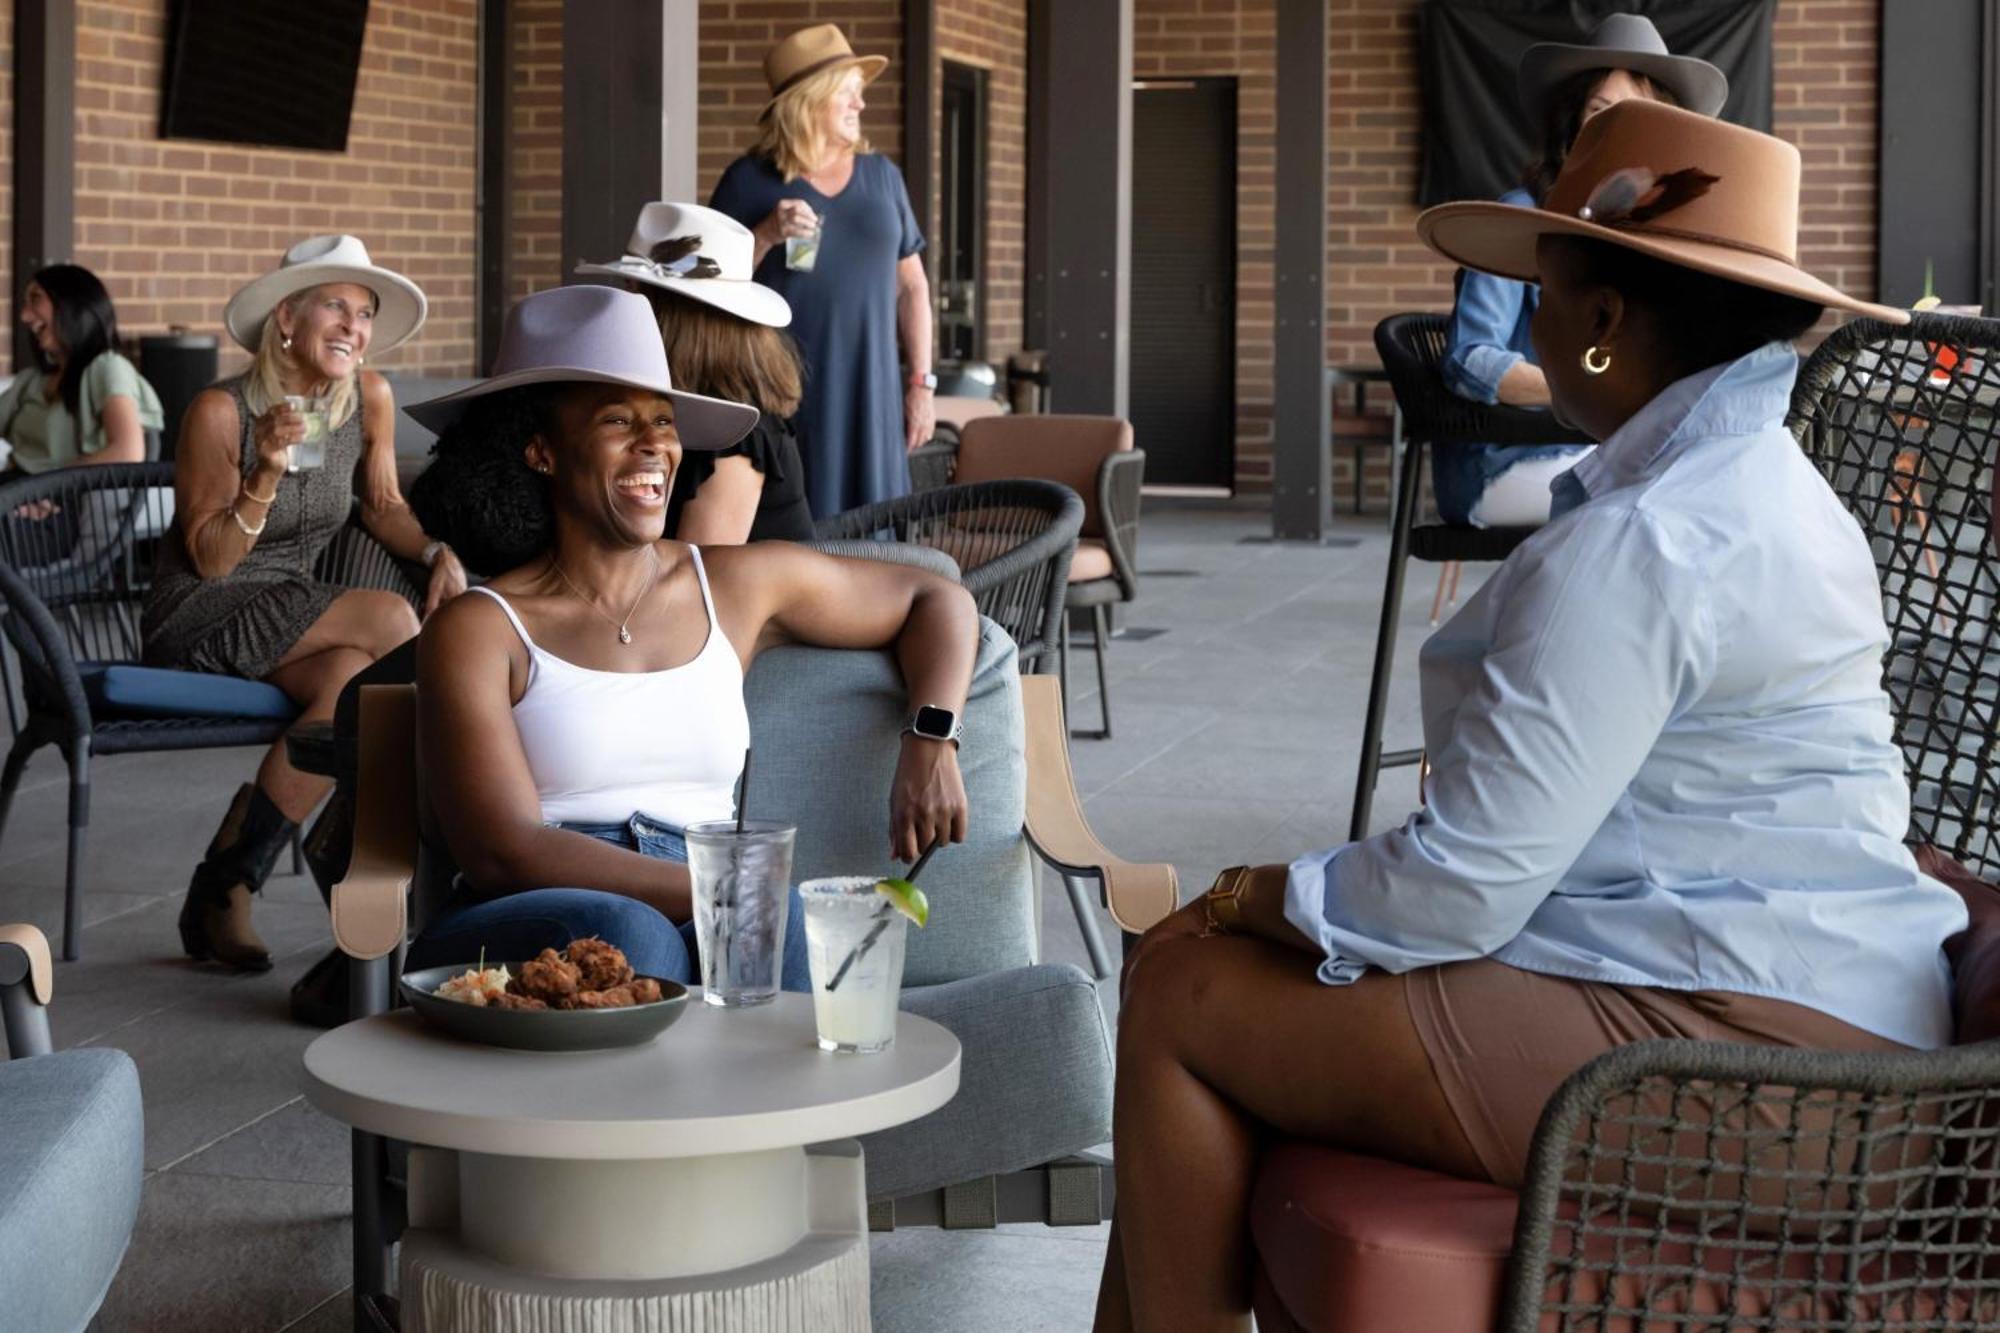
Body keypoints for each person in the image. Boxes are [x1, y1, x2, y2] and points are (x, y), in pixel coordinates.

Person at [1095, 100, 1968, 1332]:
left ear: (1605, 322)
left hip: (1770, 1080)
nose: (1530, 320)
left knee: (1179, 997)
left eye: (1544, 290)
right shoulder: (1760, 488)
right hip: (1816, 1032)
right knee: (1197, 971)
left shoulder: (1649, 540)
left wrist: (1244, 893)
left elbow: (1459, 889)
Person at [404, 285, 976, 984]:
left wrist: (931, 737)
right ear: (541, 451)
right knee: (637, 929)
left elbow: (935, 597)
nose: (655, 446)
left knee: (769, 919)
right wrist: (721, 883)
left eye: (665, 422)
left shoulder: (733, 587)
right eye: (619, 420)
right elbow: (504, 851)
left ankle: (784, 1093)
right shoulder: (481, 627)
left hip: (713, 885)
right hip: (526, 913)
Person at [141, 235, 466, 972]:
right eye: (335, 306)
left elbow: (382, 507)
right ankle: (365, 852)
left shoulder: (368, 398)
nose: (354, 326)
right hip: (203, 608)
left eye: (365, 312)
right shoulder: (219, 413)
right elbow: (210, 558)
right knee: (389, 628)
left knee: (351, 679)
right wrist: (265, 468)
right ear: (286, 317)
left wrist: (435, 552)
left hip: (296, 611)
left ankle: (226, 883)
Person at [1436, 14, 1727, 527]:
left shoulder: (1656, 237)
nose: (1620, 126)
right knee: (1664, 512)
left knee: (1722, 493)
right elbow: (1469, 360)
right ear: (1574, 127)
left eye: (1640, 112)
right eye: (1601, 110)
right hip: (1508, 464)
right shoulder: (1524, 216)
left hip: (1609, 453)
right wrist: (1587, 393)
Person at [710, 23, 934, 519]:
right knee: (803, 536)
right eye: (848, 95)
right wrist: (766, 233)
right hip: (788, 396)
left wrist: (922, 384)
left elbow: (912, 288)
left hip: (873, 395)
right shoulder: (747, 183)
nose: (860, 105)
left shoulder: (883, 178)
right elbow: (710, 291)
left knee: (880, 545)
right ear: (809, 102)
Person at [575, 201, 816, 543]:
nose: (627, 299)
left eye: (635, 288)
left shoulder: (739, 432)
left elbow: (700, 579)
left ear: (670, 314)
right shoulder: (684, 404)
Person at [0, 265, 163, 481]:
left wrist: (50, 490)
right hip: (14, 490)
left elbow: (128, 451)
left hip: (51, 499)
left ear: (72, 304)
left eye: (36, 299)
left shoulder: (107, 367)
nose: (24, 316)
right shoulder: (33, 380)